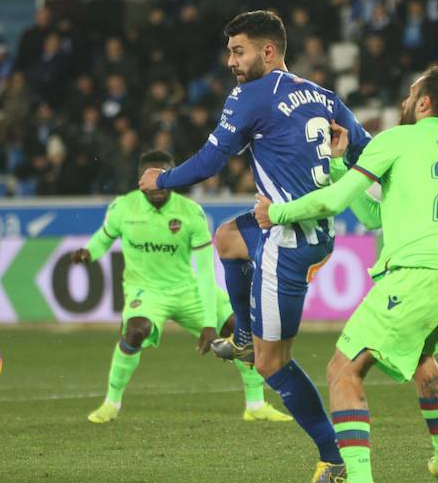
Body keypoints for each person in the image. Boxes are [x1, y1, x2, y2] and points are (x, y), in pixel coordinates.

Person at [138, 10, 372, 483]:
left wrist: (160, 179)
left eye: (238, 51)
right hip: (308, 229)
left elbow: (209, 162)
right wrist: (341, 164)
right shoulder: (324, 96)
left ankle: (335, 459)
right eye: (229, 52)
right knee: (226, 237)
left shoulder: (252, 95)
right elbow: (367, 155)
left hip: (286, 242)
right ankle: (243, 334)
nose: (231, 62)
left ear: (269, 51)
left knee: (271, 364)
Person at [254, 65, 438, 483]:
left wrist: (277, 213)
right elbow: (375, 217)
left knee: (343, 369)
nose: (404, 102)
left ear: (425, 102)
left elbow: (334, 202)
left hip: (416, 276)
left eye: (411, 95)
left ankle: (357, 480)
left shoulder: (398, 138)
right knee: (424, 360)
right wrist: (339, 164)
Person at [73, 149, 292, 425]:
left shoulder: (191, 213)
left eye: (167, 176)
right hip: (147, 291)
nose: (159, 185)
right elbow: (104, 238)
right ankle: (111, 403)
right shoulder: (122, 208)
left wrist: (209, 323)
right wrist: (88, 253)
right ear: (141, 179)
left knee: (239, 326)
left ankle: (256, 404)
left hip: (188, 288)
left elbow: (204, 270)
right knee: (135, 330)